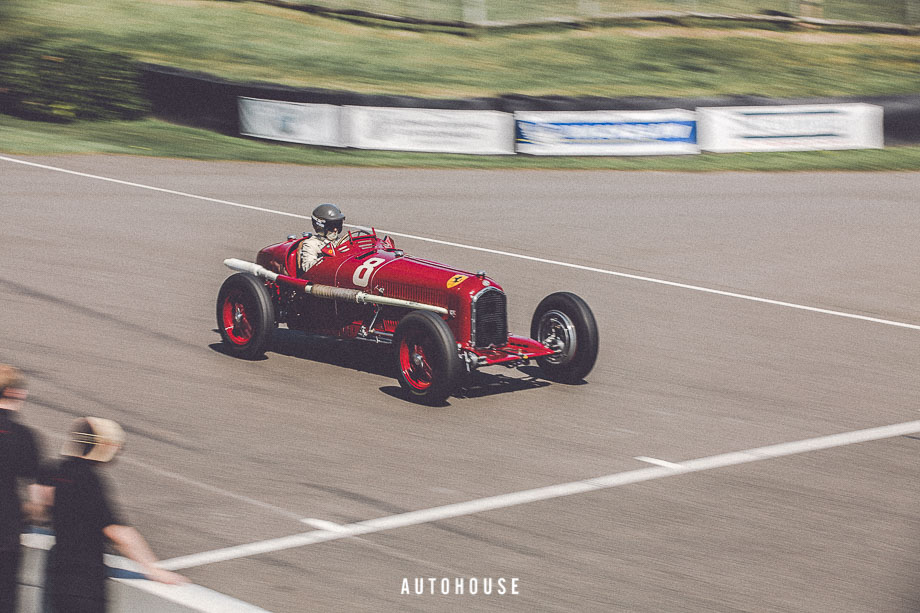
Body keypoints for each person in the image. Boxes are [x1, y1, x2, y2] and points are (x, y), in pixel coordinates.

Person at [37, 417, 187, 613]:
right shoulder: (90, 480)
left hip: (56, 572)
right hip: (84, 578)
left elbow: (41, 504)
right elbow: (116, 531)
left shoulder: (54, 469)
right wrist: (153, 568)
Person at [0, 365, 42, 613]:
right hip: (5, 536)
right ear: (17, 393)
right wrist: (26, 513)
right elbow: (37, 502)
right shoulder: (25, 437)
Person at [300, 203, 345, 274]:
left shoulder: (342, 241)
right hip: (323, 279)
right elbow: (307, 267)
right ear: (321, 226)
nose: (335, 229)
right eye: (332, 226)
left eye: (338, 224)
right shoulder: (311, 244)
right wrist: (326, 260)